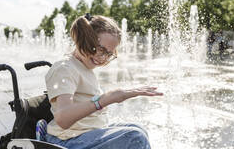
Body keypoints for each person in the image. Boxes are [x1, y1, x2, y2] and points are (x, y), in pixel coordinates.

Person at [45, 13, 163, 149]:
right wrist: (106, 99)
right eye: (100, 49)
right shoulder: (65, 68)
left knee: (138, 128)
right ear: (84, 38)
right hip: (66, 141)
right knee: (135, 137)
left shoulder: (84, 67)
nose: (103, 57)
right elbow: (63, 118)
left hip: (85, 134)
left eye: (109, 53)